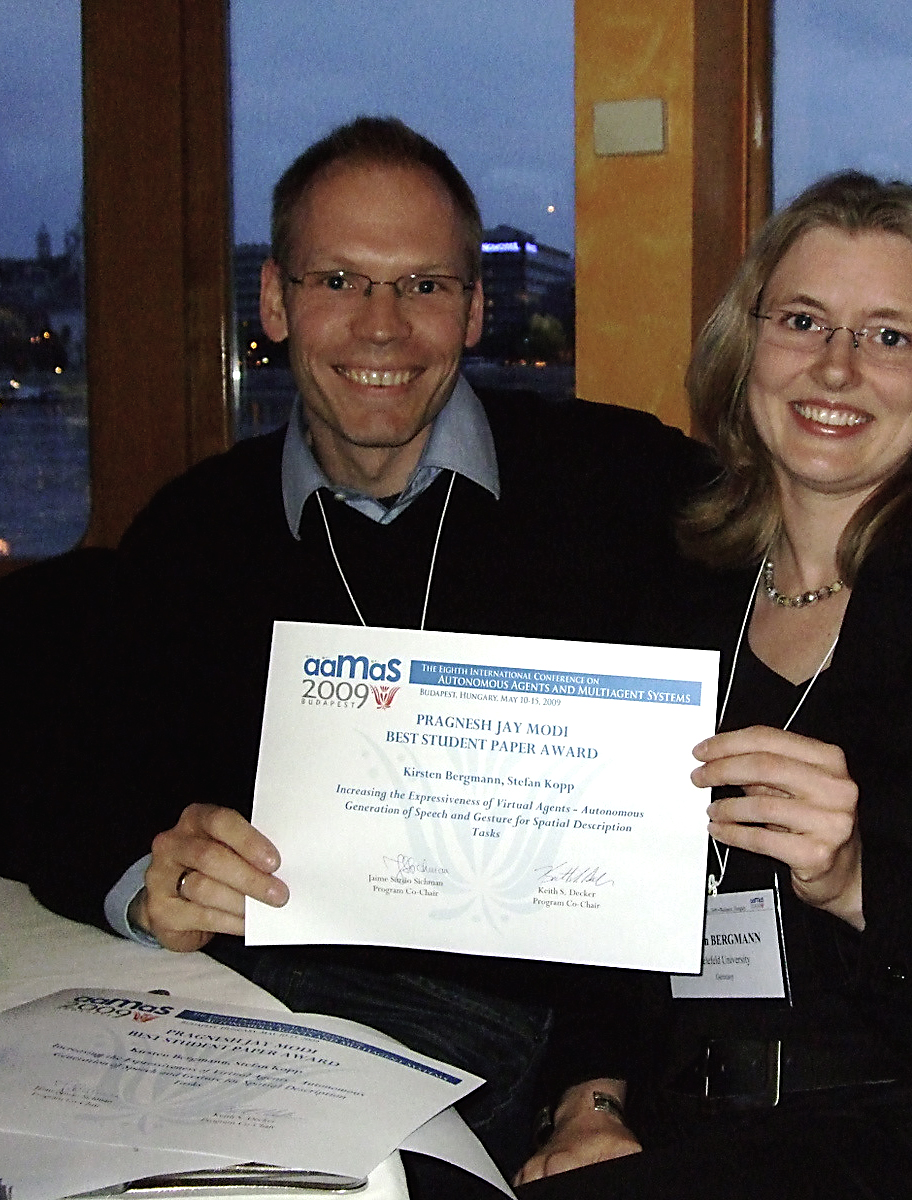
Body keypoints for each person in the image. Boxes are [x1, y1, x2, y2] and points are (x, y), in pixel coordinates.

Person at [22, 116, 711, 1193]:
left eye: (424, 285)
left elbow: (669, 842)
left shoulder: (626, 489)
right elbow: (60, 767)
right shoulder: (196, 529)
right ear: (276, 301)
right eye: (339, 280)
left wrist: (595, 1088)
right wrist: (144, 883)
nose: (381, 327)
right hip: (253, 1019)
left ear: (473, 310)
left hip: (516, 1043)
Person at [515, 172, 912, 1197]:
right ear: (747, 346)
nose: (836, 366)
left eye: (888, 336)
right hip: (686, 1122)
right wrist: (589, 1102)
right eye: (802, 321)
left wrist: (862, 882)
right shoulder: (675, 594)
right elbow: (599, 915)